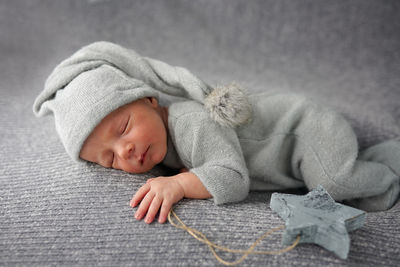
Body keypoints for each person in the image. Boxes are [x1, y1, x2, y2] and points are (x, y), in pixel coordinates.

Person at [33, 41, 400, 224]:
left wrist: (178, 184)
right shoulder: (158, 144)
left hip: (306, 129)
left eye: (123, 128)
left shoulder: (188, 122)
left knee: (342, 186)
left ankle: (391, 170)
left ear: (149, 100)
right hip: (291, 156)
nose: (125, 151)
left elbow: (232, 177)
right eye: (108, 158)